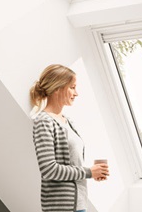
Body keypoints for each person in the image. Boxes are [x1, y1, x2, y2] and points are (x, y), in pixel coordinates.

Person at [30, 64, 109, 212]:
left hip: (78, 204)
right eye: (72, 87)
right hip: (61, 208)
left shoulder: (68, 121)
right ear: (57, 89)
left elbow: (73, 164)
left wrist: (94, 172)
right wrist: (89, 172)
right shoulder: (44, 121)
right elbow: (49, 169)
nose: (76, 93)